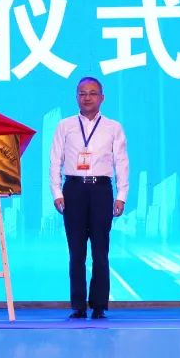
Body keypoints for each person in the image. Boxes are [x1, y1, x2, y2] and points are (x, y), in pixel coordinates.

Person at [49, 77, 129, 319]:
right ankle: (78, 305)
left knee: (100, 251)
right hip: (73, 189)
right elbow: (55, 160)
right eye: (82, 93)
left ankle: (99, 304)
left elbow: (121, 162)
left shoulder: (113, 127)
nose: (87, 97)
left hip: (101, 190)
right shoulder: (65, 125)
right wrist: (57, 192)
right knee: (76, 252)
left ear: (102, 98)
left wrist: (121, 195)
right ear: (76, 97)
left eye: (92, 93)